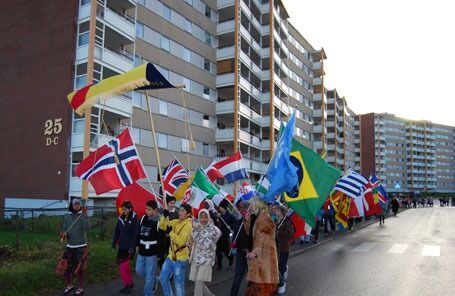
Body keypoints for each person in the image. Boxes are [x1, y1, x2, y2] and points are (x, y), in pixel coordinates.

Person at [245, 197, 279, 296]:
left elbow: (264, 241)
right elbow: (253, 235)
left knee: (262, 290)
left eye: (252, 204)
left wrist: (254, 252)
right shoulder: (260, 217)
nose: (250, 207)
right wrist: (247, 222)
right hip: (260, 259)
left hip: (265, 260)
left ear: (257, 205)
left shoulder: (264, 219)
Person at [159, 203, 193, 296]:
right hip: (171, 256)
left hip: (181, 259)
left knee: (178, 284)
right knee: (163, 279)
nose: (180, 212)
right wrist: (164, 216)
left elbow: (181, 241)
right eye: (180, 210)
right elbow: (162, 226)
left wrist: (170, 233)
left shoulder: (189, 226)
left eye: (182, 211)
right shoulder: (175, 222)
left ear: (188, 214)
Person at [60, 197, 90, 296]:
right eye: (75, 204)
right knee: (65, 267)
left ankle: (80, 288)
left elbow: (87, 228)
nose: (77, 206)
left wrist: (85, 216)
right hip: (70, 246)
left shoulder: (82, 215)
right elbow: (64, 229)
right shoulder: (67, 216)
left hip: (81, 245)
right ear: (71, 205)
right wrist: (63, 234)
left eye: (78, 204)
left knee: (79, 269)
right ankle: (69, 285)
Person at [189, 209, 222, 296]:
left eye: (205, 217)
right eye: (201, 217)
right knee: (199, 281)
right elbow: (193, 242)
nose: (203, 219)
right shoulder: (196, 228)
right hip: (196, 258)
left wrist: (199, 230)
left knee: (198, 282)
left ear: (209, 217)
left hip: (207, 259)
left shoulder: (213, 229)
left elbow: (208, 244)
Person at [135, 200, 162, 296]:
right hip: (142, 250)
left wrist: (159, 253)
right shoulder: (143, 218)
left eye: (149, 209)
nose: (146, 211)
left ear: (155, 210)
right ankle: (154, 279)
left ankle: (148, 293)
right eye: (146, 209)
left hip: (152, 252)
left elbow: (161, 239)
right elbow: (138, 233)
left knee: (149, 276)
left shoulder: (159, 221)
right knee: (138, 270)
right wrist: (137, 245)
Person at [112, 201, 138, 294]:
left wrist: (133, 246)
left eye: (125, 209)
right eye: (122, 209)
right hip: (122, 246)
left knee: (124, 266)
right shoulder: (120, 218)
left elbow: (136, 234)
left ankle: (130, 283)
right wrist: (114, 243)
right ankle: (126, 284)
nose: (123, 211)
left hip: (130, 247)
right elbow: (117, 231)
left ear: (130, 209)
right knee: (121, 266)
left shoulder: (134, 218)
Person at [230, 201, 254, 296]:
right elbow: (235, 236)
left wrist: (248, 222)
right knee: (237, 277)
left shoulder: (254, 221)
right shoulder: (238, 222)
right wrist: (233, 244)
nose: (242, 210)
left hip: (251, 254)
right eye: (240, 208)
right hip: (240, 253)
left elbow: (253, 236)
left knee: (252, 277)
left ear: (249, 209)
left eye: (244, 208)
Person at [275, 206, 295, 294]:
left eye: (277, 211)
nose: (276, 212)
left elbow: (290, 233)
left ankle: (282, 284)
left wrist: (279, 233)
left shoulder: (287, 221)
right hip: (276, 247)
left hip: (284, 247)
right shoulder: (276, 221)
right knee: (278, 265)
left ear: (282, 212)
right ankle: (280, 279)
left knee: (281, 266)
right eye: (276, 211)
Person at [215, 199, 235, 271]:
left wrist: (231, 226)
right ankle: (219, 265)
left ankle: (230, 257)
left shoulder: (230, 216)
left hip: (225, 235)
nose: (219, 208)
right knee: (218, 251)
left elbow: (235, 223)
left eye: (221, 207)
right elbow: (215, 223)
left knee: (226, 250)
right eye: (220, 207)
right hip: (218, 235)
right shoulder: (218, 215)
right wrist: (217, 218)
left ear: (224, 208)